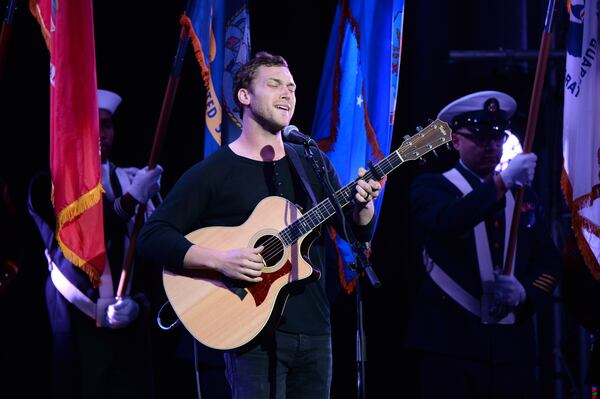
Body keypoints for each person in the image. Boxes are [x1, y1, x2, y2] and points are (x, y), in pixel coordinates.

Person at [136, 51, 381, 399]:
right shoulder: (215, 170)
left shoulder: (311, 161)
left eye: (292, 88)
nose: (287, 94)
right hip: (250, 330)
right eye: (274, 84)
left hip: (315, 330)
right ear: (244, 96)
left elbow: (355, 234)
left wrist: (364, 208)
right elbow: (152, 236)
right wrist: (220, 260)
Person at [404, 91, 560, 398]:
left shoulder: (524, 197)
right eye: (479, 138)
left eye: (497, 138)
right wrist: (501, 183)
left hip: (511, 349)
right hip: (450, 347)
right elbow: (449, 221)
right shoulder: (432, 186)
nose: (491, 147)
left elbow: (549, 261)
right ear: (456, 141)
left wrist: (525, 293)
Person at [28, 89, 163, 399]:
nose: (102, 133)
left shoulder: (131, 180)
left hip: (128, 324)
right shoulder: (47, 185)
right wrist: (130, 201)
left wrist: (140, 304)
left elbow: (153, 256)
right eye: (92, 125)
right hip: (77, 321)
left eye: (107, 125)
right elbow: (89, 227)